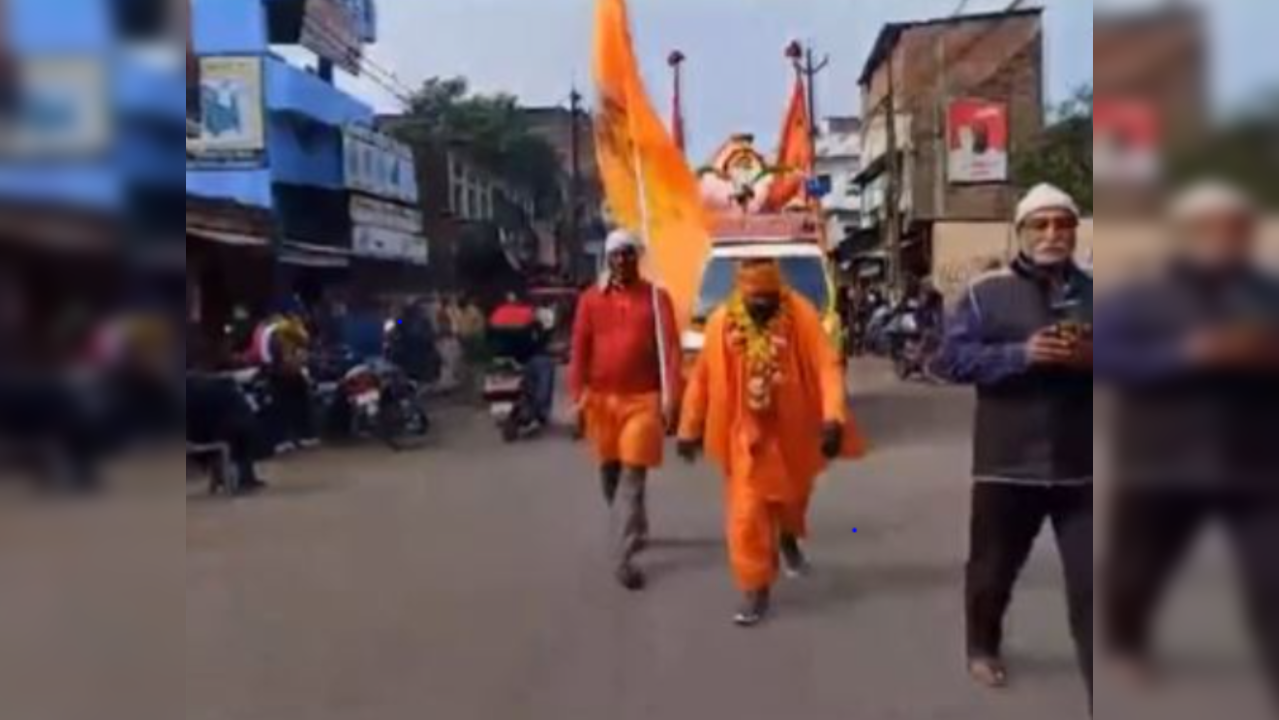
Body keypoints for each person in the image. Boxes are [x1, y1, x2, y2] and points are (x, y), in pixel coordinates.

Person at [1095, 181, 1279, 700]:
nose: (1225, 238)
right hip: (1161, 463)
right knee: (1140, 568)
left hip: (1254, 463)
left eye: (1236, 228)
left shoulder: (1266, 294)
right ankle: (1127, 641)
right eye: (1211, 228)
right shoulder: (1139, 298)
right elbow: (1108, 361)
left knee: (1272, 574)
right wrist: (1190, 355)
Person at [932, 183, 1093, 698]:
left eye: (1062, 224)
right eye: (1040, 225)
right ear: (1020, 233)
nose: (1052, 235)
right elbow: (949, 361)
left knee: (1092, 585)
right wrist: (1021, 356)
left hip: (1080, 467)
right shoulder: (986, 294)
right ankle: (981, 645)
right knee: (992, 573)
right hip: (1006, 466)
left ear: (1074, 231)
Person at [677, 259, 862, 626]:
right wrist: (688, 428)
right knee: (747, 512)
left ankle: (788, 538)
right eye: (755, 299)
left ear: (780, 293)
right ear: (741, 295)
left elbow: (827, 366)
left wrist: (833, 418)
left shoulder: (801, 315)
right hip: (744, 436)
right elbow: (701, 381)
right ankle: (754, 586)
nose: (763, 305)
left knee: (792, 500)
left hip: (793, 432)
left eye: (769, 298)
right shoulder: (720, 324)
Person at [568, 229, 682, 591]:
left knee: (633, 478)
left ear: (638, 257)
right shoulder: (590, 300)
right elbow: (579, 352)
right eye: (616, 255)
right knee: (611, 478)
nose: (623, 261)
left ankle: (623, 558)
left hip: (643, 401)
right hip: (602, 402)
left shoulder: (656, 297)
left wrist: (671, 397)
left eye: (629, 254)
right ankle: (636, 525)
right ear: (607, 259)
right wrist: (577, 397)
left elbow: (671, 353)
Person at [249, 301, 317, 453]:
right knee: (291, 404)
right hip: (284, 371)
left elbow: (260, 354)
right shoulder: (282, 328)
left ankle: (288, 439)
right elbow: (303, 342)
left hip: (275, 371)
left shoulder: (263, 329)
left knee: (282, 405)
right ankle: (297, 437)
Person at [488, 291, 556, 428]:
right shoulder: (529, 314)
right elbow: (538, 339)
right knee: (547, 366)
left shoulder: (495, 314)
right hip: (525, 358)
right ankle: (542, 409)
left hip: (499, 359)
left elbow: (488, 338)